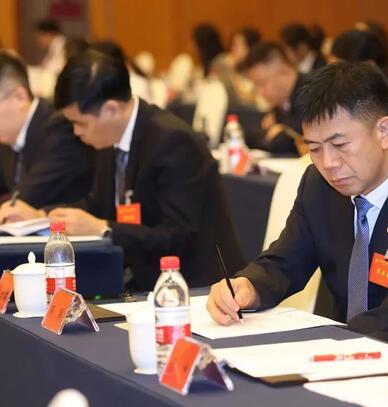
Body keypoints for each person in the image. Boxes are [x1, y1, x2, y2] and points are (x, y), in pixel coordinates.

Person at [207, 62, 388, 370]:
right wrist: (248, 286)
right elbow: (286, 260)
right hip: (351, 355)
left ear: (383, 132)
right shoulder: (319, 185)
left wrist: (312, 351)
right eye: (315, 148)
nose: (329, 163)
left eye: (340, 145)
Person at [0, 50, 244, 290]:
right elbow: (97, 204)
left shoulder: (172, 142)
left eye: (80, 123)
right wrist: (42, 216)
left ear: (111, 109)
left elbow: (178, 238)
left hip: (195, 286)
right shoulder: (109, 136)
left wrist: (102, 228)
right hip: (141, 278)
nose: (76, 132)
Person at [0, 51, 92, 207]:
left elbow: (22, 202)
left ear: (20, 97)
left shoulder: (60, 129)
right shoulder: (7, 136)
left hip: (67, 222)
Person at [239, 42, 307, 155]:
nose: (259, 92)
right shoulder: (281, 101)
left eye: (262, 83)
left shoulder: (313, 92)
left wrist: (282, 132)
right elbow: (251, 137)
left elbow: (283, 142)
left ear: (284, 72)